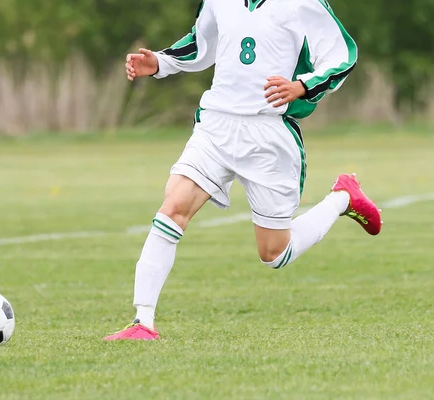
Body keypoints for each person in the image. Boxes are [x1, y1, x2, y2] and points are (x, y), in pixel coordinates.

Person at [104, 0, 382, 341]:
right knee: (173, 206)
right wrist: (161, 62)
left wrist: (303, 86)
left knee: (274, 254)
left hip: (268, 134)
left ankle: (342, 198)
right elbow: (202, 43)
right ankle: (142, 323)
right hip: (217, 125)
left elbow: (342, 56)